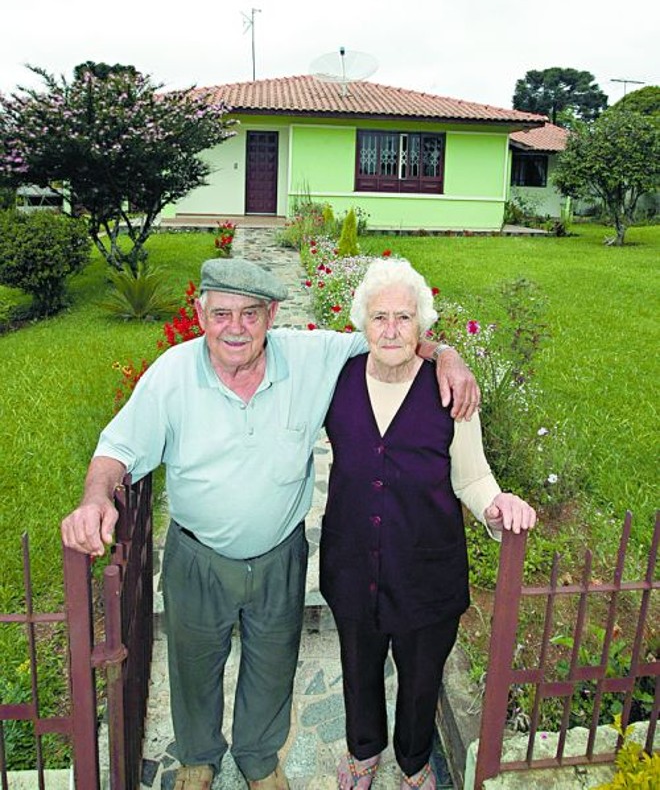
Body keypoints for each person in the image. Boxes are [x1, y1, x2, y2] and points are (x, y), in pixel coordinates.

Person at [61, 257, 480, 790]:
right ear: (199, 314)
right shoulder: (172, 373)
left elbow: (392, 335)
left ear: (272, 315)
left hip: (279, 556)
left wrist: (447, 354)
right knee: (193, 666)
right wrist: (96, 498)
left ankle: (259, 757)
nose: (235, 327)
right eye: (221, 314)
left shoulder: (310, 356)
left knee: (272, 667)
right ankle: (197, 757)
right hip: (198, 556)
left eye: (250, 314)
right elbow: (116, 448)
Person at [319, 258, 537, 790]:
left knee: (420, 681)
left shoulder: (451, 389)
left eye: (404, 318)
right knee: (358, 669)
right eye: (379, 318)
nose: (391, 330)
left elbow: (473, 476)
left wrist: (495, 505)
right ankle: (364, 752)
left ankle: (414, 763)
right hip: (352, 562)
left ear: (423, 327)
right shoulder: (336, 379)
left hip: (426, 569)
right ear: (361, 323)